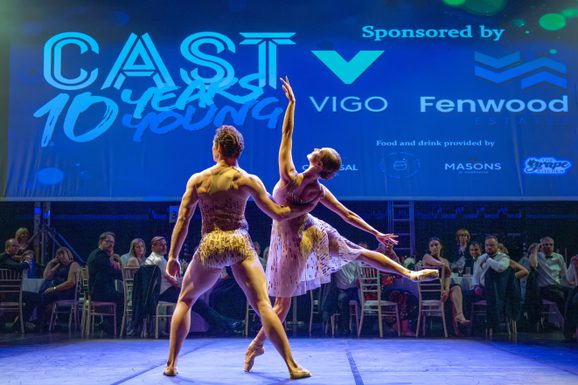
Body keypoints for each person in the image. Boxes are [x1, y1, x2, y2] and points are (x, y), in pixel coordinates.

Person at [245, 77, 438, 371]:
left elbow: (287, 132)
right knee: (355, 253)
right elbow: (348, 216)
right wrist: (376, 233)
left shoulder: (289, 175)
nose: (315, 148)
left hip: (293, 241)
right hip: (311, 229)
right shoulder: (318, 191)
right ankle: (407, 273)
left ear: (319, 164)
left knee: (282, 306)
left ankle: (256, 346)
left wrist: (292, 104)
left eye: (319, 151)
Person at [163, 125, 313, 379]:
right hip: (238, 242)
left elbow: (182, 220)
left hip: (210, 243)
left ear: (218, 148)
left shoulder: (199, 180)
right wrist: (305, 207)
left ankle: (171, 364)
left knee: (186, 301)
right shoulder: (247, 179)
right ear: (237, 151)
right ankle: (292, 366)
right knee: (264, 305)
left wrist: (173, 257)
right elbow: (277, 213)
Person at [422, 237, 470, 334]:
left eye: (436, 245)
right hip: (432, 291)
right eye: (432, 245)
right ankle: (456, 327)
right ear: (429, 248)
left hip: (443, 292)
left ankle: (460, 316)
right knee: (453, 294)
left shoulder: (445, 260)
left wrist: (447, 290)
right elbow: (439, 265)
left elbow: (447, 277)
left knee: (456, 288)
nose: (434, 247)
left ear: (441, 246)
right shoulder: (426, 257)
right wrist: (445, 265)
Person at [87, 231, 123, 334]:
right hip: (99, 292)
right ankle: (113, 327)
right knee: (123, 298)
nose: (111, 244)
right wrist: (124, 276)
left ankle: (108, 323)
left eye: (112, 242)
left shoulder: (97, 254)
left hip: (97, 291)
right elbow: (110, 272)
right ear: (101, 241)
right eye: (108, 242)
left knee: (117, 295)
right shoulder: (100, 256)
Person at [38, 247, 80, 330]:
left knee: (45, 296)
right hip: (58, 292)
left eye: (63, 253)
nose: (61, 256)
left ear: (68, 254)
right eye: (59, 255)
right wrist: (50, 263)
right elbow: (46, 277)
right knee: (43, 294)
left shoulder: (73, 264)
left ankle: (42, 323)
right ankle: (44, 323)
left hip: (68, 292)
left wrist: (54, 288)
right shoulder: (59, 265)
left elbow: (71, 282)